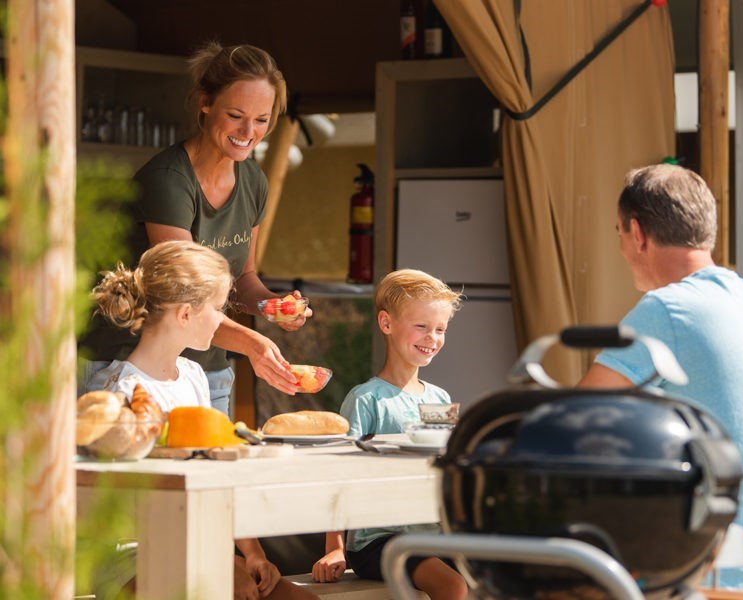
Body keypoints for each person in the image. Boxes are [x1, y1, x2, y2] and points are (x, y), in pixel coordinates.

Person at [578, 163, 743, 593]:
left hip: (719, 568)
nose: (622, 248)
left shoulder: (666, 309)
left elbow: (577, 418)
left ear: (637, 234)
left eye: (619, 233)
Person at [80, 41, 309, 416]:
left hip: (205, 369)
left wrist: (272, 306)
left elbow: (244, 277)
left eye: (262, 120)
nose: (248, 131)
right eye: (235, 115)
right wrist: (253, 343)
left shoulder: (253, 180)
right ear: (206, 103)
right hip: (127, 367)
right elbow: (182, 299)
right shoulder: (168, 181)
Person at [91, 240, 319, 600]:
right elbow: (128, 513)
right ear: (185, 315)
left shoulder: (194, 375)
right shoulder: (124, 393)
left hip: (195, 539)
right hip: (135, 554)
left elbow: (217, 481)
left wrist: (253, 554)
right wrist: (225, 566)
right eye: (217, 307)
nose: (222, 318)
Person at [312, 269, 468, 600]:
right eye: (422, 326)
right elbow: (339, 474)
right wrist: (335, 548)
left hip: (431, 535)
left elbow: (444, 468)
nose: (433, 338)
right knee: (453, 586)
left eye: (441, 329)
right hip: (377, 540)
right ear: (386, 324)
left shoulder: (439, 398)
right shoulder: (365, 398)